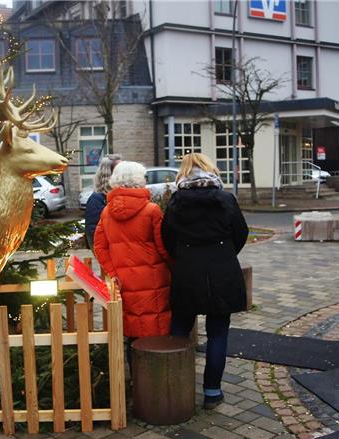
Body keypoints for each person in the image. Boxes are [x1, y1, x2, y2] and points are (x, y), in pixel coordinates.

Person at [161, 153, 248, 410]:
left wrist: (184, 255)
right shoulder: (225, 198)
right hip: (222, 269)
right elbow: (240, 233)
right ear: (210, 169)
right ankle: (212, 392)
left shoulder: (177, 201)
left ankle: (176, 387)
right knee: (218, 332)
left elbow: (167, 237)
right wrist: (224, 253)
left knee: (179, 329)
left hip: (188, 269)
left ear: (184, 172)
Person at [93, 161, 172, 344]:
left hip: (124, 279)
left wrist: (113, 272)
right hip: (154, 278)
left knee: (133, 328)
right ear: (137, 180)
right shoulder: (151, 210)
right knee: (156, 325)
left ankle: (134, 367)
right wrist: (172, 267)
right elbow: (163, 247)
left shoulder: (106, 212)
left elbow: (100, 247)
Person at [84, 153, 122, 248]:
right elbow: (93, 234)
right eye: (119, 169)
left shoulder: (122, 194)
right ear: (109, 173)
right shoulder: (97, 199)